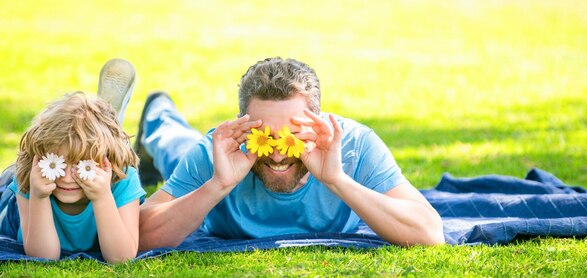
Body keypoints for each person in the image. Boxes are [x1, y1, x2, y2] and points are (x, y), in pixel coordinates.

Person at [136, 57, 444, 251]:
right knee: (173, 143)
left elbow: (429, 232)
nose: (280, 155)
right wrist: (217, 185)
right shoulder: (217, 153)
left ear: (317, 123)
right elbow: (140, 236)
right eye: (265, 137)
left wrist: (336, 180)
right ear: (245, 128)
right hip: (205, 167)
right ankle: (157, 112)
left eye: (292, 137)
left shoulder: (354, 146)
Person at [0, 60, 145, 263]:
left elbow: (121, 258)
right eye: (58, 163)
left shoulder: (122, 177)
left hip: (109, 169)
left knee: (110, 155)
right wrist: (39, 197)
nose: (67, 178)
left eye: (81, 164)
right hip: (9, 205)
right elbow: (43, 257)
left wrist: (102, 196)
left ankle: (110, 134)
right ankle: (107, 129)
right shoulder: (29, 176)